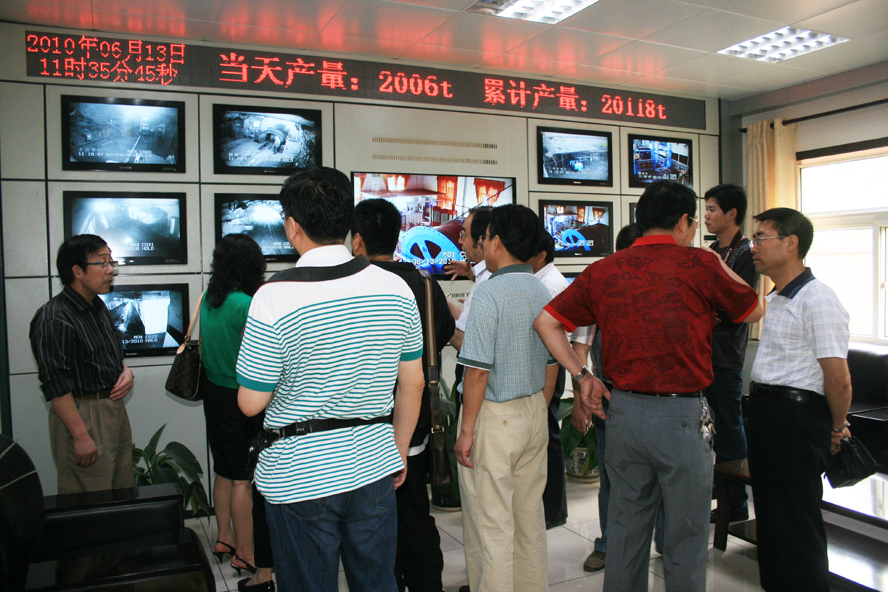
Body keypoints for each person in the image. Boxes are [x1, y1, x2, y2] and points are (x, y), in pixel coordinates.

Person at [534, 180, 762, 592]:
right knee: (685, 538)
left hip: (623, 415)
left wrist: (583, 376)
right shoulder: (699, 264)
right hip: (681, 418)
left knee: (625, 534)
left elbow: (546, 322)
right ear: (683, 221)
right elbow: (752, 308)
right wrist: (715, 258)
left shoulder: (605, 268)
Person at [236, 167, 426, 592]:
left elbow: (250, 402)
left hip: (298, 474)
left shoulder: (273, 296)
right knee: (377, 583)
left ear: (292, 225)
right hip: (374, 463)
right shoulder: (395, 288)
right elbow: (412, 383)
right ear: (347, 223)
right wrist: (397, 451)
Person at [352, 198, 455, 592]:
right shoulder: (424, 284)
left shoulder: (352, 286)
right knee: (414, 511)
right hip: (413, 423)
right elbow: (441, 336)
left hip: (361, 423)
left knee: (369, 524)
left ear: (357, 240)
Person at [747, 207, 852, 592]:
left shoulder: (818, 299)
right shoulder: (778, 296)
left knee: (796, 521)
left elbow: (838, 379)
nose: (753, 246)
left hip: (795, 419)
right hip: (767, 413)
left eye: (761, 238)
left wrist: (837, 427)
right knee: (771, 517)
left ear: (791, 243)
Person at [455, 204, 559, 592]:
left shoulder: (489, 292)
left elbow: (477, 372)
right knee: (529, 518)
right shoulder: (541, 289)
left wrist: (467, 431)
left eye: (483, 238)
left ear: (496, 241)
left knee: (491, 524)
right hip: (533, 411)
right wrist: (538, 409)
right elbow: (552, 362)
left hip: (494, 418)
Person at [30, 234, 134, 495]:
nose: (110, 270)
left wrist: (126, 372)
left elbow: (108, 355)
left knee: (121, 492)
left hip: (112, 410)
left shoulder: (97, 306)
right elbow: (56, 383)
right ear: (77, 271)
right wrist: (80, 435)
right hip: (83, 414)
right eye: (102, 262)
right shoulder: (55, 318)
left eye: (111, 261)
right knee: (90, 498)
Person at [200, 233, 272, 588]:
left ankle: (224, 537)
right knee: (244, 477)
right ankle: (245, 552)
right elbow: (259, 356)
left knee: (224, 470)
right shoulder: (245, 304)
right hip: (239, 400)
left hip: (213, 395)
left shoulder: (209, 298)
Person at [574, 223, 643, 573]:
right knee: (612, 478)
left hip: (658, 402)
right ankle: (608, 544)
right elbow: (580, 349)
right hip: (611, 401)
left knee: (659, 478)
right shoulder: (600, 288)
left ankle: (659, 541)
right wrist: (579, 398)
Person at [702, 184, 758, 522]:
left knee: (729, 429)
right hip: (703, 352)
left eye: (712, 209)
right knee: (708, 430)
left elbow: (739, 304)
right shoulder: (712, 250)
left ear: (732, 213)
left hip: (725, 355)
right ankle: (718, 489)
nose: (706, 215)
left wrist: (712, 309)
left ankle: (735, 503)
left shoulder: (746, 253)